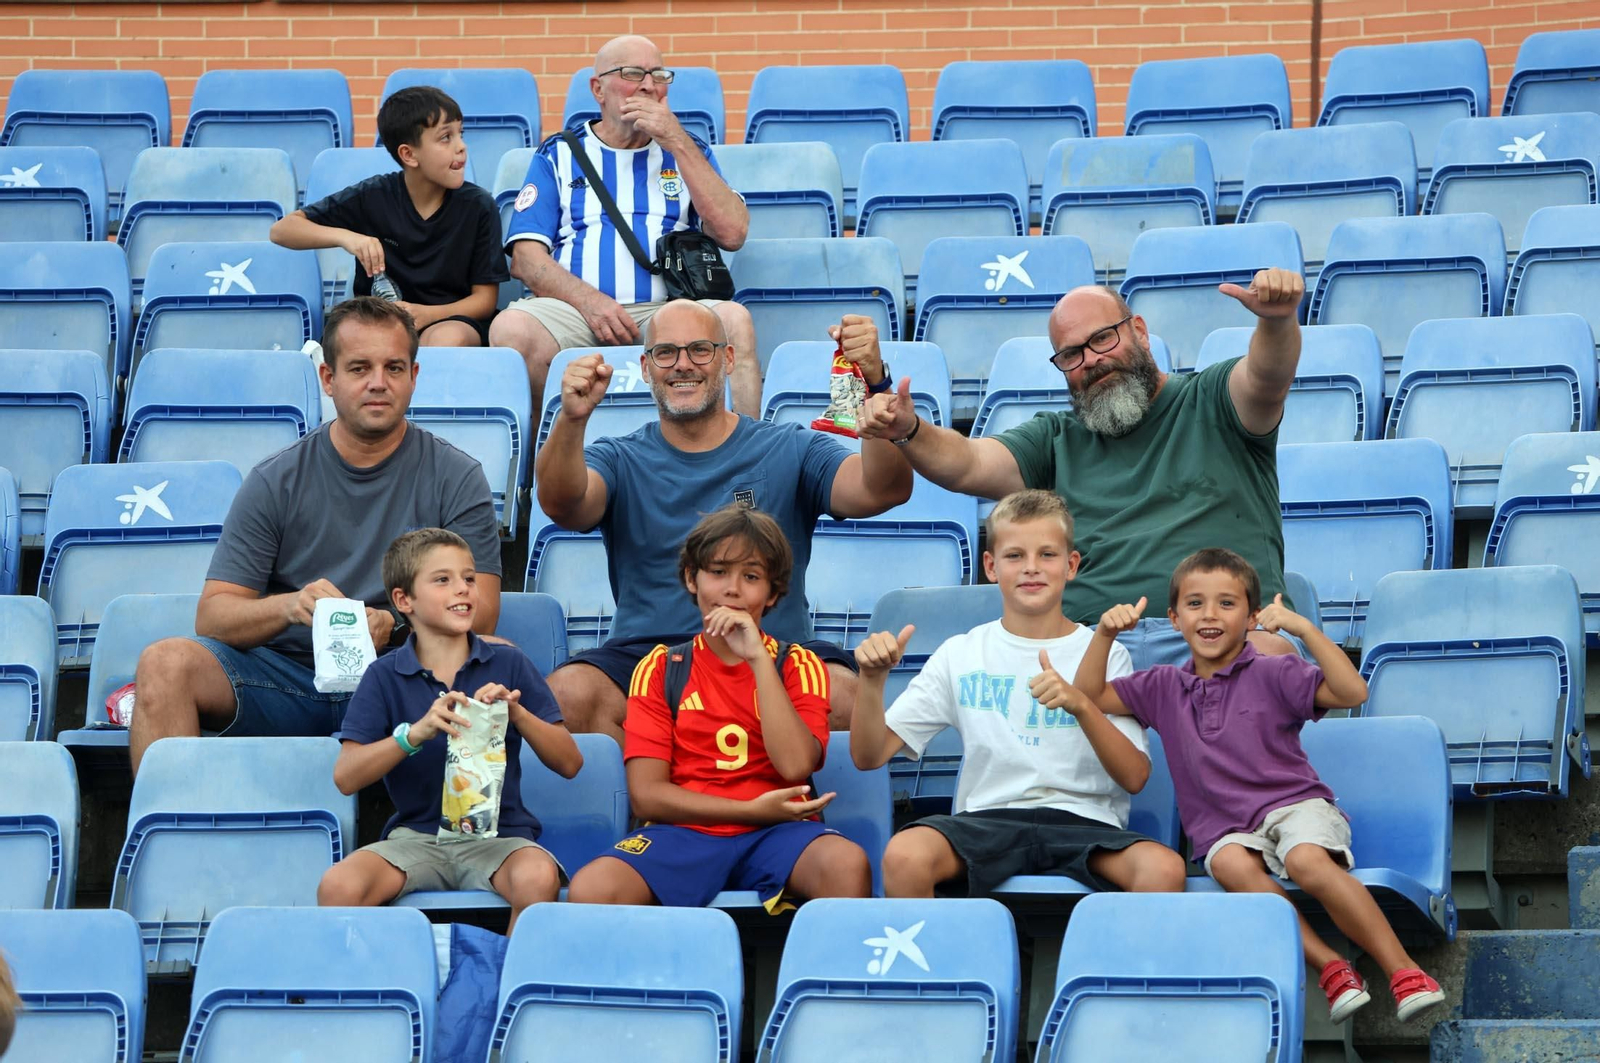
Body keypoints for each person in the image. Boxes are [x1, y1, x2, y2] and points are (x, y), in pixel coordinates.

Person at [129, 298, 504, 776]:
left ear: (414, 376)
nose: (377, 383)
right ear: (329, 379)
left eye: (393, 368)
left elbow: (485, 609)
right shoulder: (275, 479)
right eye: (359, 368)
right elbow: (214, 614)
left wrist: (401, 623)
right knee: (164, 663)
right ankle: (171, 837)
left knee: (498, 660)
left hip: (404, 676)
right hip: (285, 676)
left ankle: (468, 840)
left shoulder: (457, 475)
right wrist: (290, 606)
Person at [1073, 548, 1448, 1024]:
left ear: (1252, 618)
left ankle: (1405, 972)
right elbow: (1088, 695)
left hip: (1295, 806)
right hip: (1226, 829)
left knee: (1305, 860)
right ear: (1172, 619)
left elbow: (1353, 692)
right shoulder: (1162, 686)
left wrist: (1304, 629)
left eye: (1227, 604)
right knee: (1228, 862)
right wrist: (1105, 633)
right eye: (1194, 604)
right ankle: (1332, 967)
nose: (1209, 615)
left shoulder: (1275, 671)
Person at [859, 273, 1306, 668]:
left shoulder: (1213, 399)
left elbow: (1267, 376)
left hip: (1224, 636)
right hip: (1097, 648)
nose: (1090, 359)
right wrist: (910, 429)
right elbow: (968, 464)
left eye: (1102, 339)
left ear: (1140, 332)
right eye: (1070, 354)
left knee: (1268, 661)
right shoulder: (1056, 438)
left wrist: (1278, 321)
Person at [536, 301, 912, 740]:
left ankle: (804, 809)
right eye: (666, 353)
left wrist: (873, 386)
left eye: (700, 349)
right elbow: (561, 504)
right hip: (647, 655)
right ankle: (640, 806)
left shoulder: (789, 447)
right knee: (566, 697)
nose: (682, 365)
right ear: (644, 366)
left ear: (728, 358)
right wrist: (571, 420)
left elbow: (881, 490)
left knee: (844, 696)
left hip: (774, 649)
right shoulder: (619, 457)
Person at [848, 490, 1187, 898]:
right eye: (1014, 556)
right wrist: (871, 681)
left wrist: (1081, 704)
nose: (1031, 568)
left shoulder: (1105, 654)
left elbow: (1135, 777)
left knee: (1164, 869)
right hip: (986, 820)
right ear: (990, 566)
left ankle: (1114, 965)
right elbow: (868, 756)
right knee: (904, 856)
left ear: (1071, 565)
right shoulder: (962, 652)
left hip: (1085, 823)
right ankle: (943, 962)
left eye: (1047, 554)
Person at [567, 504, 871, 910]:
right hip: (684, 831)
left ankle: (819, 975)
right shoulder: (661, 667)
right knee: (592, 888)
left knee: (846, 865)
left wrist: (759, 661)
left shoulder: (797, 664)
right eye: (718, 572)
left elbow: (795, 766)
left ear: (774, 593)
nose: (732, 589)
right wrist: (748, 810)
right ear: (692, 579)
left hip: (779, 831)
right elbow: (647, 796)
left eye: (751, 577)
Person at [317, 529, 581, 932]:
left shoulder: (509, 662)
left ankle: (507, 985)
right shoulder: (383, 675)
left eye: (469, 578)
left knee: (538, 877)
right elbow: (346, 775)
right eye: (443, 580)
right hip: (416, 840)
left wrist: (518, 713)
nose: (463, 589)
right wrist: (414, 734)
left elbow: (569, 762)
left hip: (501, 840)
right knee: (339, 885)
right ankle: (383, 990)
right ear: (404, 600)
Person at [490, 34, 761, 414]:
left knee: (735, 321)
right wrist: (591, 303)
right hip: (577, 311)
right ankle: (539, 465)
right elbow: (526, 258)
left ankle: (748, 458)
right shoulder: (560, 153)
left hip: (669, 308)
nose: (649, 85)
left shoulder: (690, 149)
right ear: (598, 89)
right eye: (634, 73)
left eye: (659, 75)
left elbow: (733, 233)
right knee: (512, 330)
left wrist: (676, 141)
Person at [270, 86, 508, 347]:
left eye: (460, 135)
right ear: (409, 154)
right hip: (379, 321)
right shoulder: (373, 195)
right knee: (349, 337)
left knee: (446, 339)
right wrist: (347, 238)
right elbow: (282, 231)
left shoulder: (479, 206)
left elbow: (484, 301)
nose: (461, 147)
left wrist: (427, 314)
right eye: (445, 138)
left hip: (450, 319)